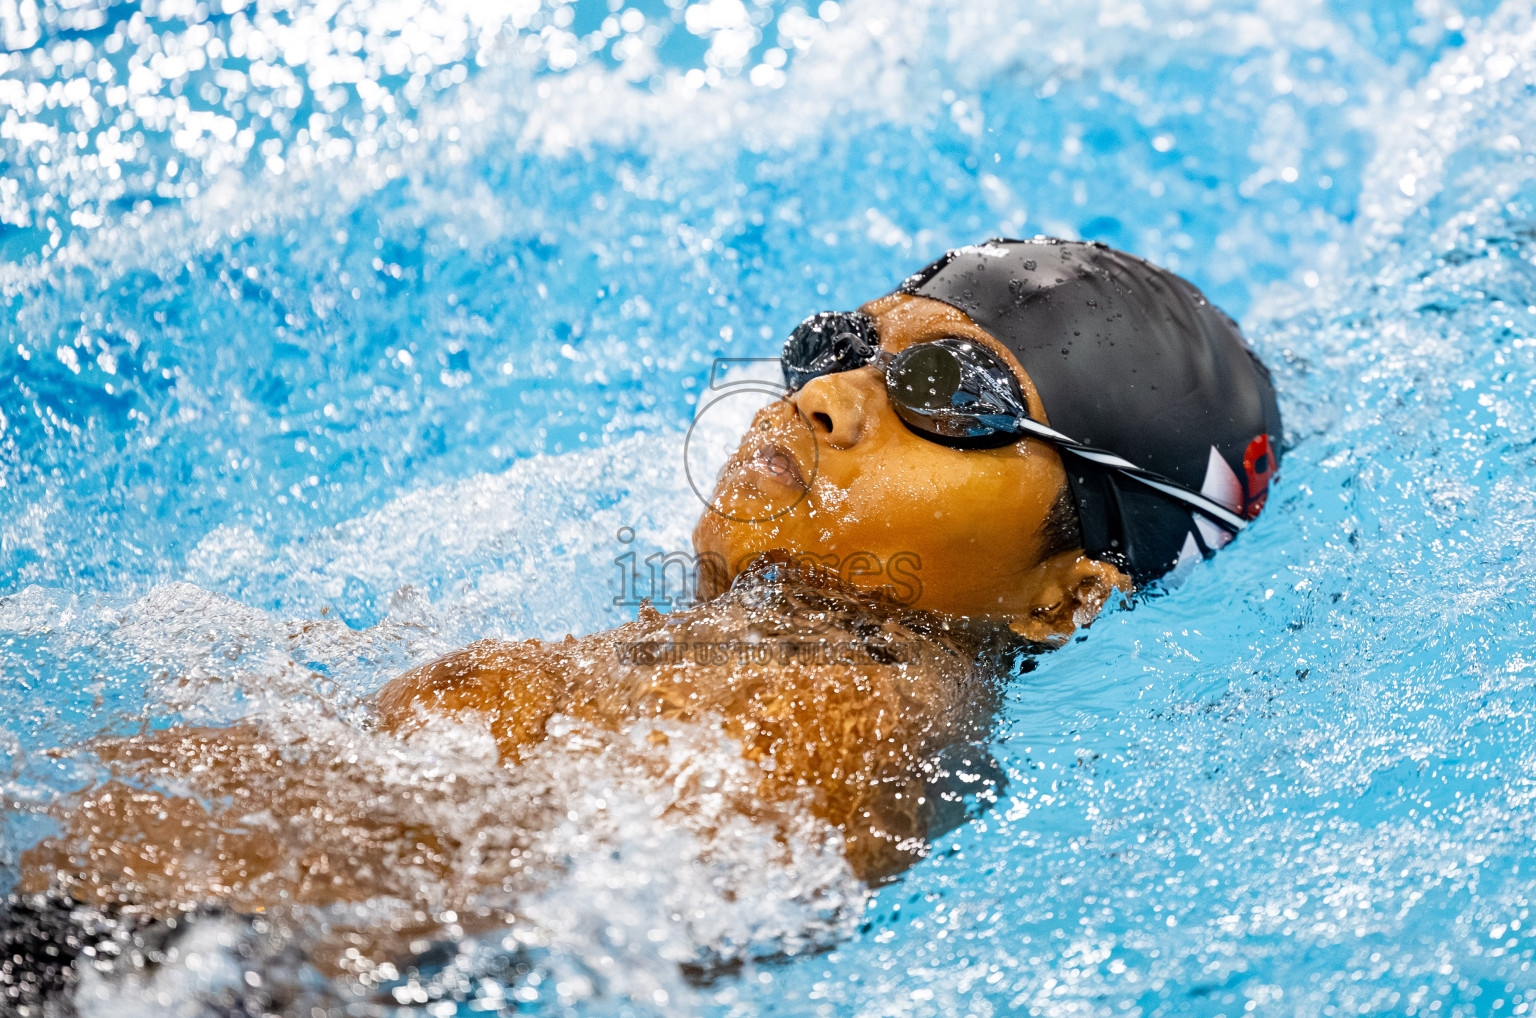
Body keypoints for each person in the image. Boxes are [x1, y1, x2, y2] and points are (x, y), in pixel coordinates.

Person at [15, 238, 1282, 958]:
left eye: (949, 391)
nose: (826, 398)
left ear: (1068, 594)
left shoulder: (847, 725)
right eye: (844, 349)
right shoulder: (746, 659)